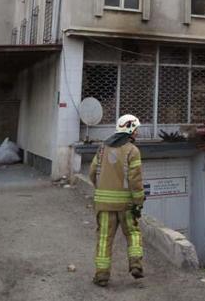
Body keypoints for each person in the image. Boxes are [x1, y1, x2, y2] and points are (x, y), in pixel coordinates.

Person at [88, 114, 145, 286]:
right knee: (133, 233)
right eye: (136, 129)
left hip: (104, 205)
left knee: (104, 238)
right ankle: (136, 265)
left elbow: (92, 173)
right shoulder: (132, 151)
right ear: (130, 130)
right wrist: (138, 203)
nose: (138, 133)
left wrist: (102, 189)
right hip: (126, 205)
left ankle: (102, 276)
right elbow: (135, 181)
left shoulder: (102, 149)